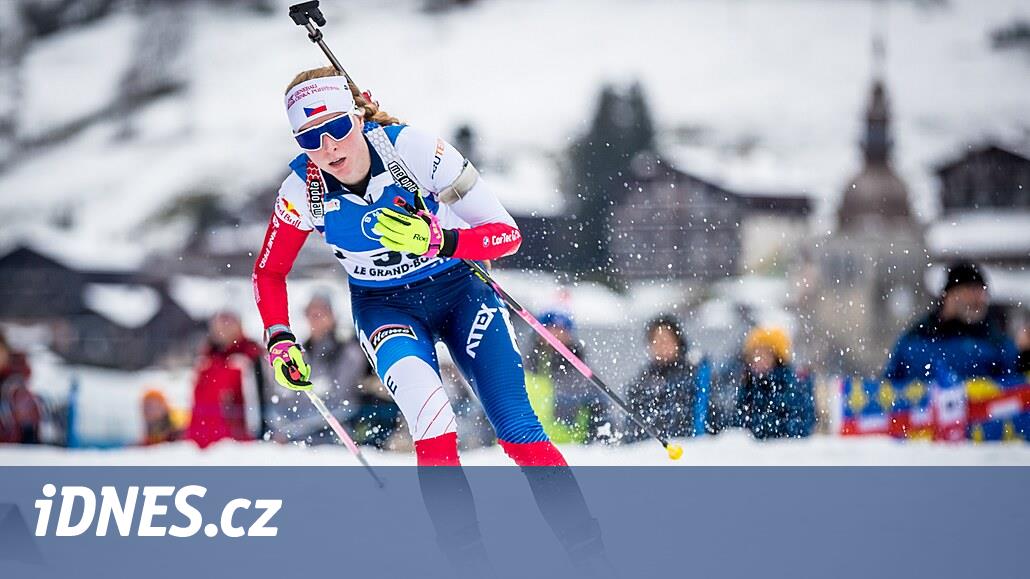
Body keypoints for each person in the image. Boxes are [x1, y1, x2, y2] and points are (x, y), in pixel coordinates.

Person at [251, 68, 609, 574]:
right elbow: (269, 271)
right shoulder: (300, 191)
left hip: (462, 295)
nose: (329, 147)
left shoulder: (414, 152)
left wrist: (442, 241)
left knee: (518, 429)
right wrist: (280, 338)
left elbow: (505, 234)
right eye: (310, 138)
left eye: (337, 128)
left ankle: (591, 556)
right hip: (386, 309)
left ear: (358, 115)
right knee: (433, 424)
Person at [883, 262, 1021, 386]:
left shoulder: (997, 343)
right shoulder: (916, 339)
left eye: (982, 292)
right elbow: (888, 390)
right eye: (971, 291)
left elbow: (1015, 387)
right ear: (949, 295)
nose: (979, 299)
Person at [186, 310, 267, 449]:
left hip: (240, 442)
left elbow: (261, 397)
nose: (224, 326)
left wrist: (258, 434)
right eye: (220, 321)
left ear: (240, 325)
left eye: (229, 321)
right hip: (203, 442)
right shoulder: (205, 359)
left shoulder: (252, 354)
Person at [525, 311, 608, 444]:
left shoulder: (583, 375)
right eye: (549, 329)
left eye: (561, 330)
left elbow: (601, 417)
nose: (555, 335)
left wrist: (597, 447)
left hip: (572, 450)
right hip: (525, 447)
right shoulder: (521, 367)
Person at [623, 315, 698, 443]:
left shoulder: (695, 376)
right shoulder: (642, 381)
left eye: (667, 340)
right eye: (656, 341)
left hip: (687, 446)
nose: (662, 346)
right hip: (649, 450)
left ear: (678, 342)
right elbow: (631, 426)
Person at [735, 327, 814, 439]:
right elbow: (737, 422)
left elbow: (801, 425)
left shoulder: (791, 385)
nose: (758, 359)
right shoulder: (747, 385)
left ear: (777, 358)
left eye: (764, 354)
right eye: (755, 354)